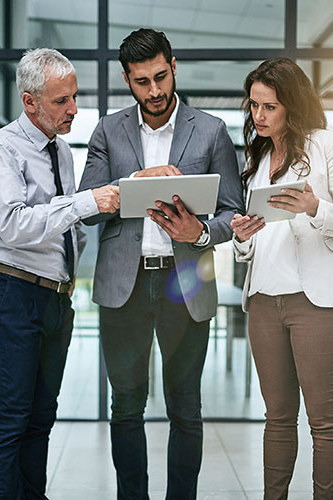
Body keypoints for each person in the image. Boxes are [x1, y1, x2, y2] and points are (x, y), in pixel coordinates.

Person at [78, 29, 244, 500]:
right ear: (127, 80)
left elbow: (233, 212)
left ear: (174, 66)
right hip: (123, 285)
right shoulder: (107, 130)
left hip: (185, 279)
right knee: (126, 407)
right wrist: (137, 179)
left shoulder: (210, 130)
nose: (154, 91)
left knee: (186, 408)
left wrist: (203, 232)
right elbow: (88, 205)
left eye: (160, 77)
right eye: (141, 82)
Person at [0, 48, 119, 500]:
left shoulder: (62, 151)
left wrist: (71, 265)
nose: (73, 109)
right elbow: (14, 224)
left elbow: (62, 224)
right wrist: (86, 203)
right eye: (61, 101)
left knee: (41, 416)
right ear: (30, 101)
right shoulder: (2, 149)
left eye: (73, 97)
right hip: (14, 293)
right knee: (11, 417)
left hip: (56, 299)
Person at [231, 57, 333, 499]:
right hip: (264, 303)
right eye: (253, 106)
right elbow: (254, 245)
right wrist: (242, 238)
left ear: (292, 104)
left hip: (319, 304)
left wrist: (315, 208)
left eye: (269, 106)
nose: (259, 116)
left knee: (324, 421)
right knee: (277, 418)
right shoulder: (257, 159)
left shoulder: (330, 144)